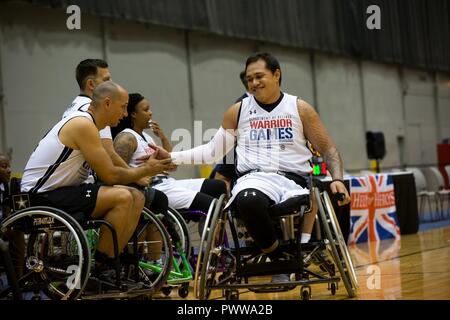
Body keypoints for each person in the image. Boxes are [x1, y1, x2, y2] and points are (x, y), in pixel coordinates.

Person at [169, 52, 351, 275]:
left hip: (295, 180)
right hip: (255, 179)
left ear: (276, 74)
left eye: (259, 76)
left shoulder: (299, 108)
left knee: (320, 196)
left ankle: (296, 251)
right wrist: (171, 157)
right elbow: (211, 152)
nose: (254, 83)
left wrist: (338, 180)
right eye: (249, 79)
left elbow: (328, 149)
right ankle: (279, 258)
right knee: (247, 200)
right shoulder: (237, 111)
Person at [20, 81, 176, 272]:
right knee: (123, 197)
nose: (125, 114)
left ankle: (114, 259)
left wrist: (147, 169)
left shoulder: (91, 125)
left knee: (137, 197)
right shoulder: (82, 124)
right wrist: (146, 170)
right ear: (108, 103)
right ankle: (102, 267)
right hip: (40, 195)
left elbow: (111, 169)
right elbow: (110, 175)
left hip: (61, 191)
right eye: (123, 107)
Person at [111, 93, 226, 218]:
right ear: (133, 114)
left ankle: (212, 233)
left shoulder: (147, 137)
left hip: (167, 182)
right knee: (211, 205)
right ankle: (208, 235)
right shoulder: (126, 138)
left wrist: (163, 137)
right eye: (145, 110)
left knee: (217, 186)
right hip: (153, 187)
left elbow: (171, 164)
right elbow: (118, 171)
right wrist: (138, 178)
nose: (150, 113)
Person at [210, 70, 253, 190]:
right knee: (221, 177)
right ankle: (224, 204)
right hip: (237, 146)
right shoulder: (241, 103)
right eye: (250, 78)